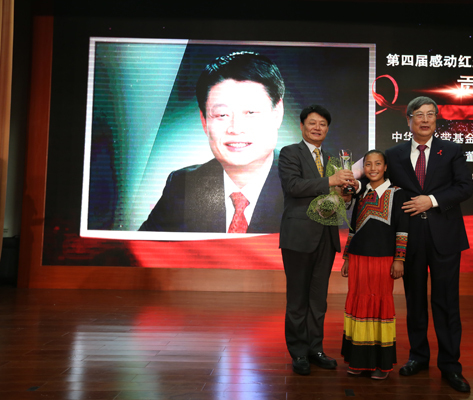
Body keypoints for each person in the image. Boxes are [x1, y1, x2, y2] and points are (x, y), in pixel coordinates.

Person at [139, 51, 284, 233]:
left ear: (277, 114)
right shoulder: (183, 186)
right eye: (222, 115)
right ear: (204, 121)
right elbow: (136, 248)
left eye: (250, 113)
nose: (236, 128)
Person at [387, 96, 473, 392]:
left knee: (446, 302)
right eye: (418, 115)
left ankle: (450, 365)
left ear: (437, 119)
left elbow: (465, 187)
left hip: (445, 237)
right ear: (408, 120)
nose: (424, 120)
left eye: (430, 114)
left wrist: (432, 200)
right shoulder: (394, 154)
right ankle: (418, 356)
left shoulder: (451, 150)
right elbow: (381, 185)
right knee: (415, 301)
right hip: (410, 237)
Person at [279, 104, 356, 375]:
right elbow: (293, 186)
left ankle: (316, 348)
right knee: (298, 299)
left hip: (326, 236)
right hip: (298, 237)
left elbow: (335, 199)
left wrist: (346, 195)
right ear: (302, 126)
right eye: (312, 123)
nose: (317, 128)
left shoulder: (333, 159)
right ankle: (299, 352)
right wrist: (331, 181)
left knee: (318, 299)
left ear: (327, 129)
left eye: (322, 124)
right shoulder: (290, 153)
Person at [340, 150, 408, 380]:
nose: (373, 168)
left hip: (383, 260)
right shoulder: (360, 193)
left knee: (379, 304)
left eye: (378, 164)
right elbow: (352, 229)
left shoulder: (397, 194)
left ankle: (381, 363)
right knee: (358, 303)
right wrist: (347, 258)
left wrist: (399, 259)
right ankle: (358, 360)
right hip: (358, 259)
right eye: (368, 164)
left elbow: (402, 229)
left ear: (385, 167)